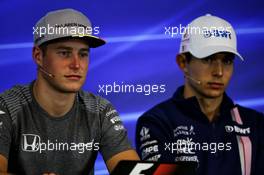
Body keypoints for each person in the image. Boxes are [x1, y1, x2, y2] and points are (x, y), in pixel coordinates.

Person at [0, 8, 139, 175]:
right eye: (64, 53)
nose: (76, 65)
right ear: (38, 56)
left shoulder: (100, 110)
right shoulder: (7, 107)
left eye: (83, 54)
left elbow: (133, 172)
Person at [136, 14, 264, 175]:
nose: (218, 72)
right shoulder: (156, 122)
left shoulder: (257, 124)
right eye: (208, 59)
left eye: (227, 61)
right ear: (183, 62)